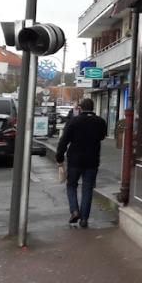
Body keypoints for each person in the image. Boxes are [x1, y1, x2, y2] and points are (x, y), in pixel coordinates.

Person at [56, 97, 108, 228]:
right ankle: (84, 219)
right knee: (87, 189)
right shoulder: (100, 122)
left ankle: (74, 210)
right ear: (93, 107)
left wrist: (59, 157)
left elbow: (64, 141)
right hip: (92, 160)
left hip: (75, 160)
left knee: (71, 185)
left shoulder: (73, 121)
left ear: (80, 108)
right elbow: (102, 136)